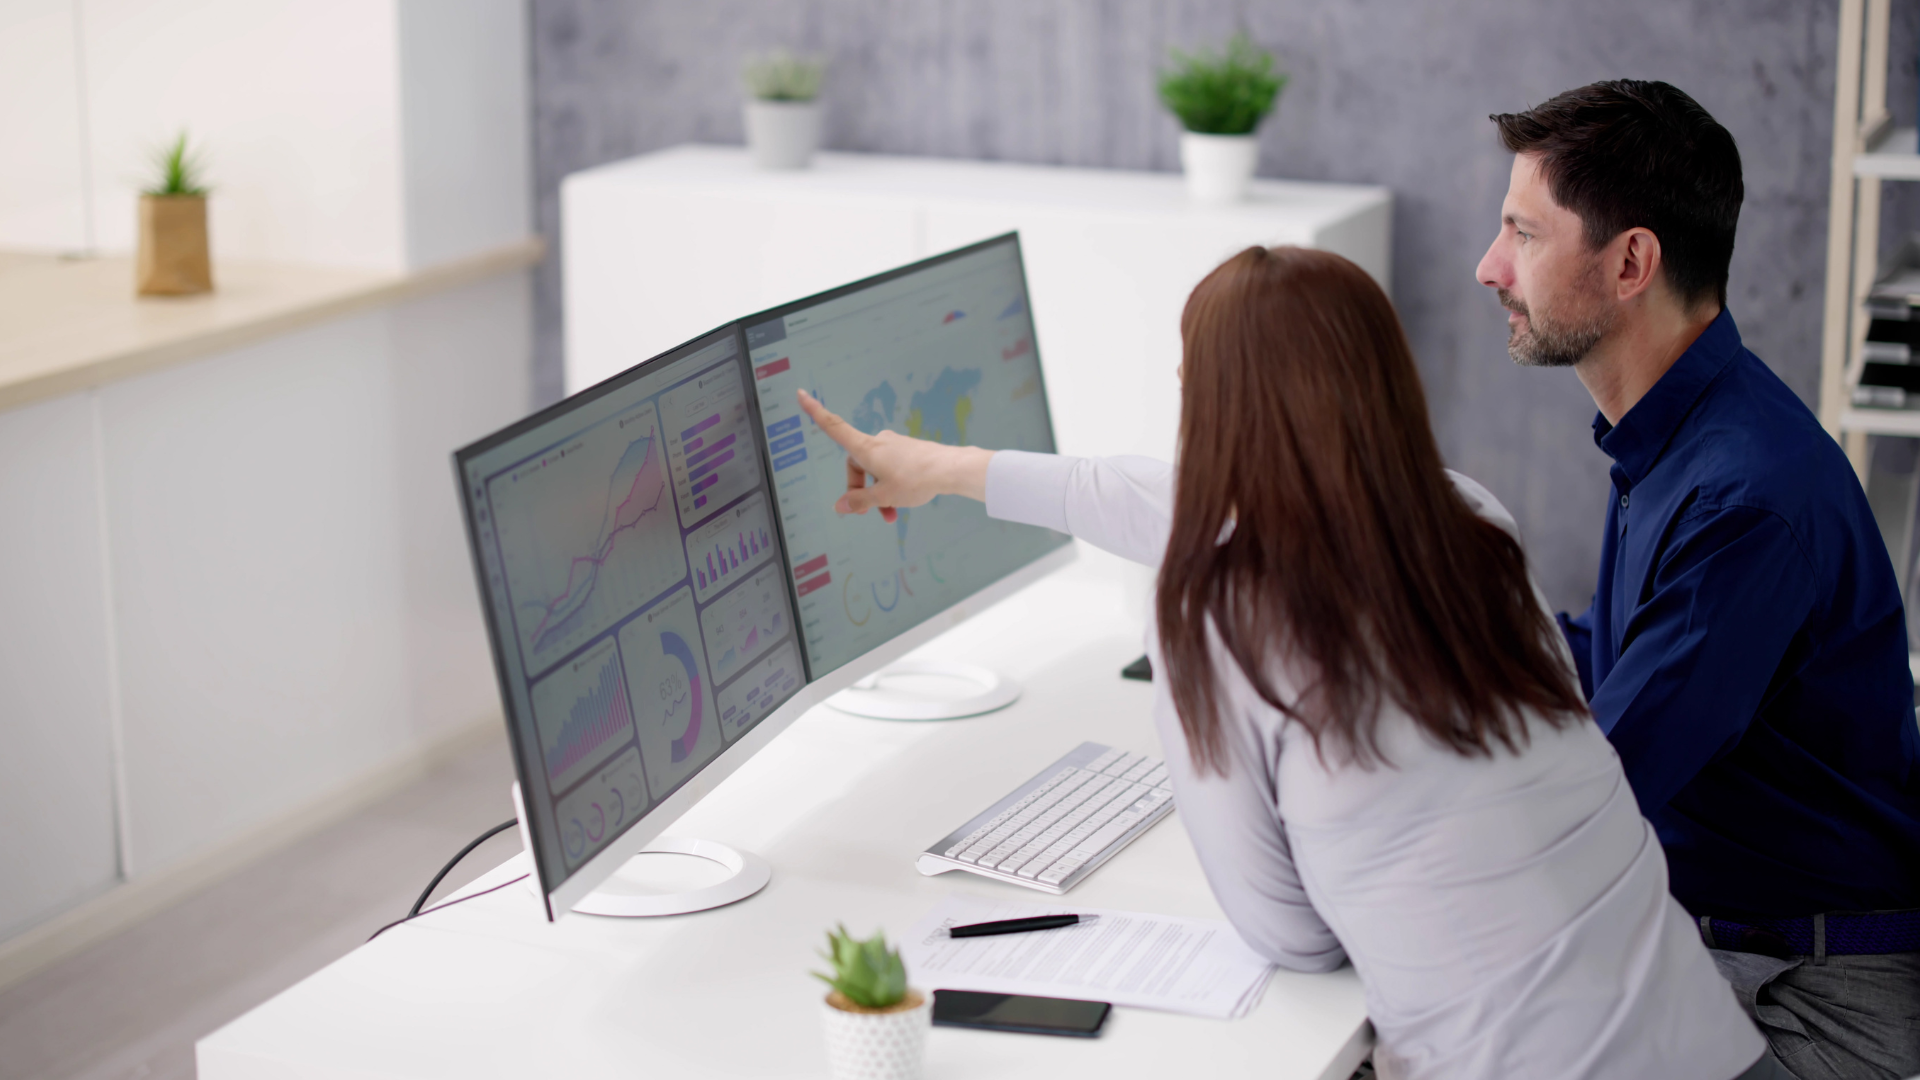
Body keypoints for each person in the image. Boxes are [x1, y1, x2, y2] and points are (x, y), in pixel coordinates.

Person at [796, 245, 1778, 1079]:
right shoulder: (1471, 522)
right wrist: (952, 471)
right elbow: (1179, 497)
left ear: (1217, 409)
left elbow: (1295, 940)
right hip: (1706, 1043)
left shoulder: (1219, 626)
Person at [1475, 80, 1920, 1079]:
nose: (1488, 267)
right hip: (1732, 947)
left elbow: (1593, 793)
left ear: (1631, 261)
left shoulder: (1742, 497)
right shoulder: (1679, 437)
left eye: (1524, 234)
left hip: (1814, 1006)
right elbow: (1607, 658)